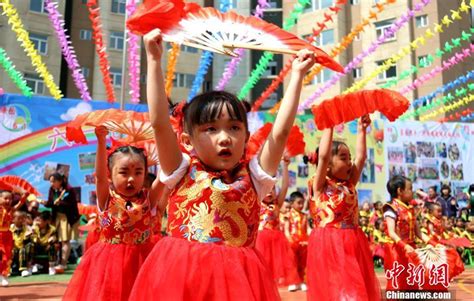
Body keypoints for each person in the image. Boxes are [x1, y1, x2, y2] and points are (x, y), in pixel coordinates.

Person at [130, 28, 315, 300]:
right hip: (181, 278)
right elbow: (159, 123)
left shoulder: (254, 176)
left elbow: (280, 132)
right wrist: (154, 60)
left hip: (240, 281)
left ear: (246, 136)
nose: (225, 137)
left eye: (234, 128)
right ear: (187, 140)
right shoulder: (180, 168)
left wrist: (297, 75)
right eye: (211, 129)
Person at [63, 127, 165, 301]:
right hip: (109, 265)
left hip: (144, 261)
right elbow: (100, 178)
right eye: (124, 172)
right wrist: (101, 140)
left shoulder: (150, 198)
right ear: (111, 174)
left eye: (138, 172)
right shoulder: (106, 198)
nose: (131, 178)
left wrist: (164, 140)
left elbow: (164, 177)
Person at [306, 116, 381, 301]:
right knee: (335, 286)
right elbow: (322, 156)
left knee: (354, 285)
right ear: (328, 166)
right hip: (328, 243)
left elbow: (361, 158)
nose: (349, 162)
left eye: (349, 158)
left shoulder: (349, 183)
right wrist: (329, 126)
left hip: (353, 240)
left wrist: (362, 129)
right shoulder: (319, 185)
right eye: (343, 158)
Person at [256, 158, 301, 290]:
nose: (270, 192)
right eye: (266, 189)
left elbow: (286, 186)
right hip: (260, 240)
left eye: (273, 189)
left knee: (276, 269)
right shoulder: (257, 202)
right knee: (261, 268)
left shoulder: (277, 204)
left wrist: (285, 166)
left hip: (276, 241)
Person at [383, 175, 432, 292]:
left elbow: (419, 232)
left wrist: (433, 243)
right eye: (410, 189)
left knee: (412, 281)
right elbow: (391, 232)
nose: (412, 192)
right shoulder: (391, 208)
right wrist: (404, 246)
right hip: (396, 249)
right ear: (400, 191)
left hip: (410, 248)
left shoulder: (410, 209)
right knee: (398, 283)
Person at [43, 173, 80, 270]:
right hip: (57, 217)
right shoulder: (52, 190)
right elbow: (51, 203)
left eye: (53, 181)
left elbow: (72, 204)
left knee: (65, 241)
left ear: (60, 181)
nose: (51, 183)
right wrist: (45, 203)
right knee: (57, 241)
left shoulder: (68, 190)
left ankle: (63, 263)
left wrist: (61, 203)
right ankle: (56, 262)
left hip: (66, 217)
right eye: (50, 181)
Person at [0, 191, 26, 286]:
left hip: (7, 235)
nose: (8, 201)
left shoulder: (11, 210)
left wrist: (24, 196)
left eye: (10, 199)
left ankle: (4, 275)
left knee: (7, 257)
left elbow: (19, 204)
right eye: (5, 198)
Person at [286, 191, 309, 291]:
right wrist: (289, 239)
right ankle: (293, 282)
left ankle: (302, 281)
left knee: (303, 262)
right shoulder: (288, 215)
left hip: (303, 242)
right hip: (292, 242)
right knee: (292, 262)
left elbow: (307, 229)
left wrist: (310, 237)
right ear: (292, 203)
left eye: (302, 203)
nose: (301, 205)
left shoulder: (304, 216)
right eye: (299, 202)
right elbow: (286, 230)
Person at [31, 211, 59, 275]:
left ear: (46, 221)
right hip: (37, 246)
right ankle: (33, 266)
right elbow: (33, 240)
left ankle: (51, 267)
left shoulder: (53, 229)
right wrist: (33, 230)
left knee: (54, 246)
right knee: (30, 245)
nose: (38, 222)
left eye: (40, 220)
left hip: (47, 247)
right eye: (37, 220)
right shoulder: (34, 228)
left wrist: (51, 242)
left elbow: (55, 239)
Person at [10, 211, 34, 277]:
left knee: (28, 247)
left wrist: (29, 234)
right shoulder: (10, 228)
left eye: (23, 218)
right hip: (13, 249)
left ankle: (24, 269)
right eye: (19, 218)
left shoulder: (27, 228)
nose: (21, 220)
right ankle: (9, 268)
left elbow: (32, 236)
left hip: (23, 250)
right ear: (13, 219)